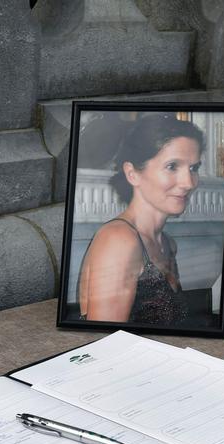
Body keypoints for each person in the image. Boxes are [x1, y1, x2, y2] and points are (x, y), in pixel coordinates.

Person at [76, 114, 204, 325]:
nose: (189, 183)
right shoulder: (119, 240)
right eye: (172, 166)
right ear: (132, 173)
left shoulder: (168, 244)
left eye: (194, 168)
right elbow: (105, 344)